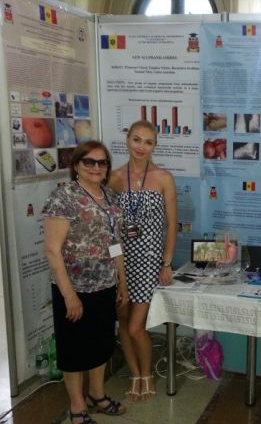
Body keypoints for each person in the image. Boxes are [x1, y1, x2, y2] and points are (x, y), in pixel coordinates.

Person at [43, 141, 128, 424]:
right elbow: (52, 250)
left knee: (101, 345)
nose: (95, 167)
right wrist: (69, 296)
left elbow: (115, 243)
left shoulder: (110, 196)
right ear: (76, 165)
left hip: (105, 285)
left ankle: (97, 395)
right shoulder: (63, 197)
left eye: (101, 162)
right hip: (74, 289)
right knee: (75, 350)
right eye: (89, 162)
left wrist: (122, 281)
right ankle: (77, 407)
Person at [108, 120, 177, 402]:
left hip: (149, 259)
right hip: (120, 258)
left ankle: (147, 373)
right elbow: (109, 226)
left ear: (155, 146)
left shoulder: (163, 178)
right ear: (127, 140)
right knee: (123, 321)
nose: (141, 147)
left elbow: (171, 225)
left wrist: (166, 263)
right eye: (137, 139)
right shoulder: (113, 178)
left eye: (148, 142)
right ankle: (135, 374)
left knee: (137, 326)